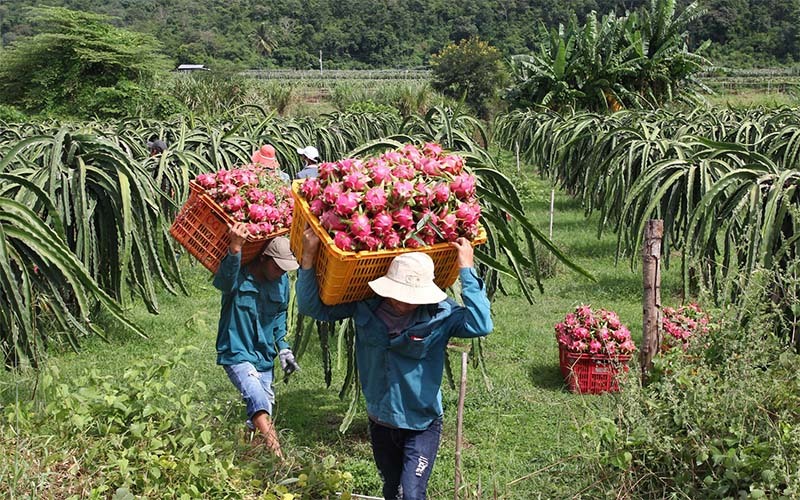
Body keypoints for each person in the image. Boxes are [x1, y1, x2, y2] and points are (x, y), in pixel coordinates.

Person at [296, 228, 493, 499]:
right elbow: (312, 308)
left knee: (411, 493)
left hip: (422, 424)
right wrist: (308, 256)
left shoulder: (441, 314)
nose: (403, 301)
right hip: (381, 420)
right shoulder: (364, 306)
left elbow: (482, 323)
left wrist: (467, 270)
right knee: (391, 488)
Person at [213, 224, 301, 458]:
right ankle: (281, 461)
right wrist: (234, 248)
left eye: (285, 269)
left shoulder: (281, 282)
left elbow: (281, 313)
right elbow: (222, 282)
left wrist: (283, 348)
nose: (281, 272)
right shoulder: (239, 274)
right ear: (264, 258)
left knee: (259, 418)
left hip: (263, 357)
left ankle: (245, 461)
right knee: (258, 400)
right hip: (236, 350)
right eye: (278, 267)